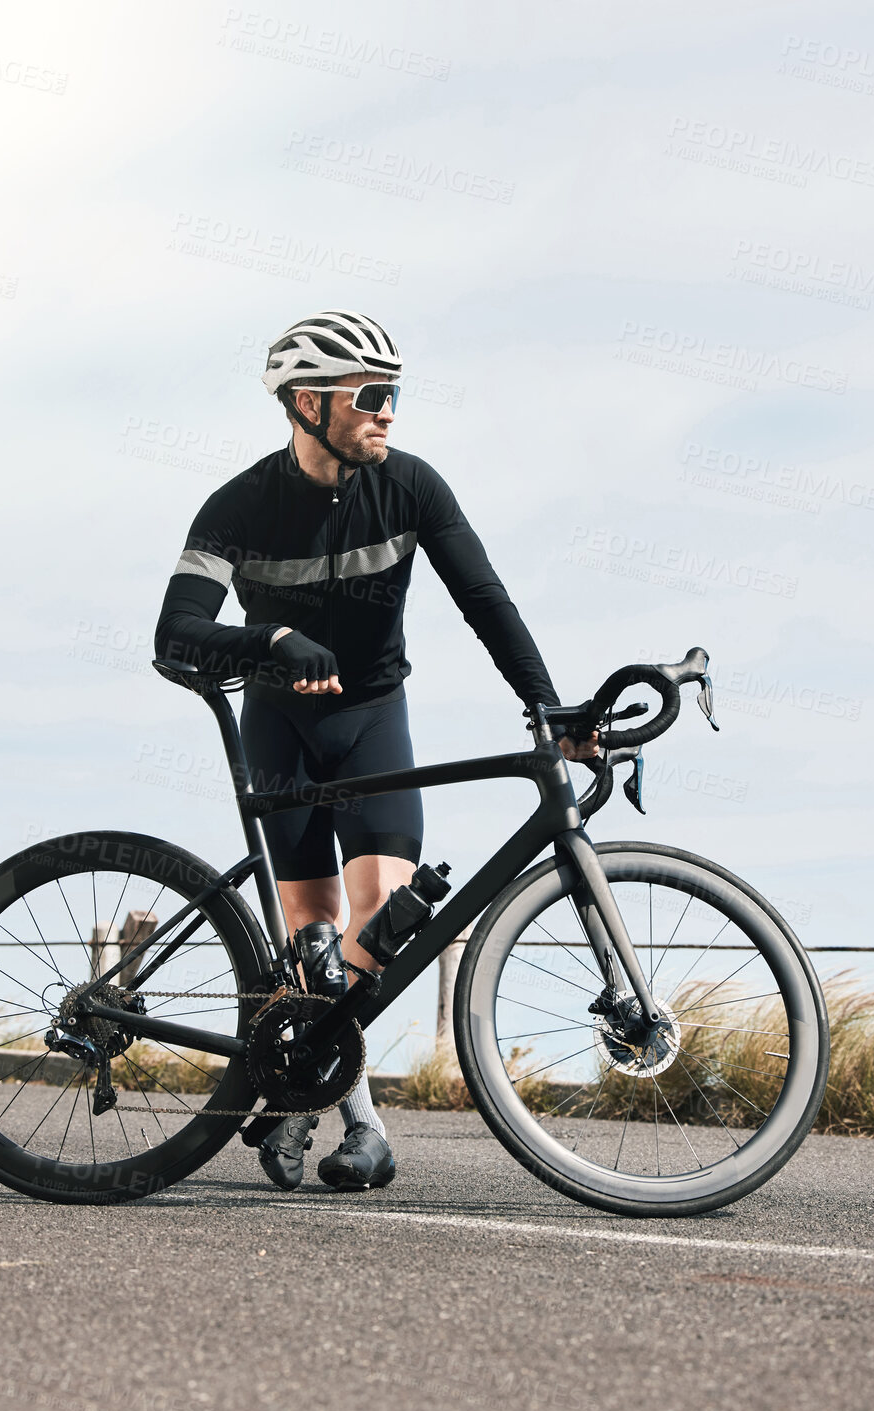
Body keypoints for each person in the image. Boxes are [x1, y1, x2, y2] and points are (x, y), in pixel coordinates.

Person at [155, 310, 597, 1192]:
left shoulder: (412, 488)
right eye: (370, 395)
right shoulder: (237, 506)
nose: (387, 411)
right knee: (311, 942)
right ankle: (352, 1122)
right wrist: (271, 642)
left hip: (372, 720)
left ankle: (316, 1111)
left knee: (382, 923)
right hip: (278, 727)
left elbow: (484, 598)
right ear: (308, 402)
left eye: (394, 394)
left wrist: (547, 705)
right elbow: (175, 634)